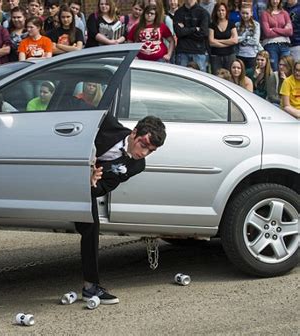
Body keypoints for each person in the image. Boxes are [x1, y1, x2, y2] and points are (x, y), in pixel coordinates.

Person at [76, 115, 166, 304]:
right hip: (57, 166)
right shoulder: (108, 124)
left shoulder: (136, 165)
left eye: (151, 151)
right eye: (143, 145)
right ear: (134, 133)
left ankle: (90, 286)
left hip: (84, 188)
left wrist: (91, 182)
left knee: (92, 225)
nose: (144, 153)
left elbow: (104, 187)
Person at [173, 0, 210, 71]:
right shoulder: (178, 13)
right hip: (182, 51)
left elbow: (203, 33)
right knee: (181, 78)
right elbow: (179, 32)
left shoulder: (203, 13)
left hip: (198, 51)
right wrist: (195, 29)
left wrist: (185, 30)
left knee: (200, 79)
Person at [260, 0, 292, 71]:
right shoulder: (265, 14)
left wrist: (274, 29)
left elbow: (290, 32)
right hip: (271, 45)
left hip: (284, 45)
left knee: (286, 69)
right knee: (274, 70)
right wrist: (283, 30)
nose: (275, 1)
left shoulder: (285, 13)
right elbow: (267, 33)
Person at [209, 2, 238, 74]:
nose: (221, 12)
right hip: (216, 56)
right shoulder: (212, 25)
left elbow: (235, 40)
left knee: (230, 77)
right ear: (216, 12)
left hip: (230, 55)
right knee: (216, 77)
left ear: (226, 11)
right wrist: (228, 42)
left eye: (223, 10)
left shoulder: (231, 24)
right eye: (218, 10)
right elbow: (211, 42)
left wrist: (218, 41)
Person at [235, 4, 262, 71]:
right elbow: (235, 39)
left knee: (250, 74)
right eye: (243, 13)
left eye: (247, 13)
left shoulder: (256, 25)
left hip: (252, 55)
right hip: (239, 54)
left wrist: (242, 38)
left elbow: (255, 41)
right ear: (240, 13)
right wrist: (247, 37)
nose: (245, 15)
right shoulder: (237, 25)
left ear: (251, 13)